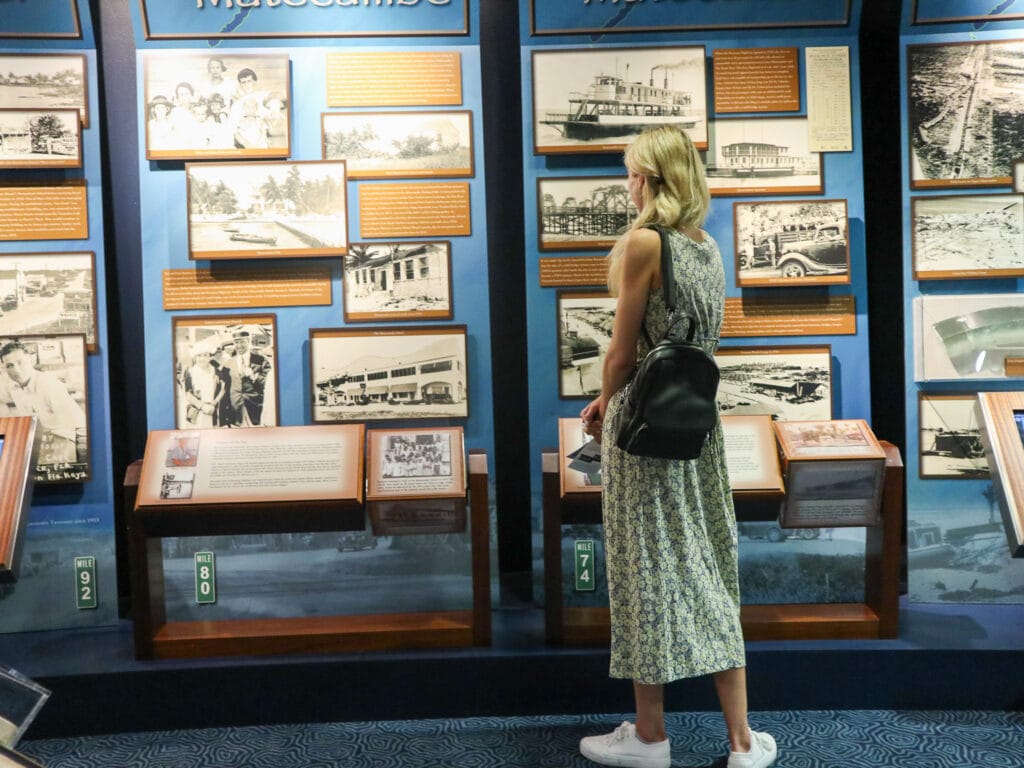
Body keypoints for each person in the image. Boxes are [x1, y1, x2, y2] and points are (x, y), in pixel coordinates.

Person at [578, 126, 777, 768]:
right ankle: (743, 742)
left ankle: (650, 737)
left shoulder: (644, 242)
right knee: (709, 565)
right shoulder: (706, 246)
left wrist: (607, 404)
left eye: (632, 171)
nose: (626, 182)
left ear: (653, 178)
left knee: (644, 570)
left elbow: (621, 352)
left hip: (642, 432)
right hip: (698, 427)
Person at [0, 340, 86, 467]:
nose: (16, 370)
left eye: (20, 362)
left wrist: (82, 459)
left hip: (64, 442)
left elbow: (79, 424)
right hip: (39, 443)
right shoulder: (13, 387)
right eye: (10, 366)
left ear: (31, 360)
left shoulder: (48, 384)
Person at [230, 330, 271, 426]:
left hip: (255, 407)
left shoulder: (261, 360)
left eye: (242, 341)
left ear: (249, 341)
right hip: (235, 409)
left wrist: (254, 376)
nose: (239, 345)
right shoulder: (228, 363)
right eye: (236, 342)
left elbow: (268, 384)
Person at [182, 339, 225, 428]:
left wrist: (214, 403)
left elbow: (223, 389)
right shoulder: (190, 372)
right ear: (195, 357)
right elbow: (187, 393)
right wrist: (201, 406)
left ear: (210, 357)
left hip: (211, 410)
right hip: (196, 411)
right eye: (199, 356)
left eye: (205, 355)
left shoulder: (216, 371)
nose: (202, 358)